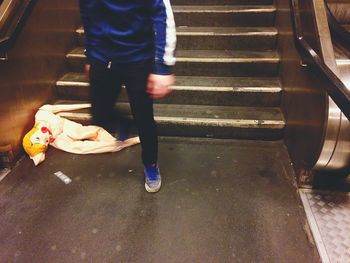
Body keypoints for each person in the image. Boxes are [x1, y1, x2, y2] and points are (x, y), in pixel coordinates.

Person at [79, 0, 176, 193]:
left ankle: (151, 164)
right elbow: (89, 16)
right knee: (99, 112)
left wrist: (162, 68)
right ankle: (124, 124)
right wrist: (91, 56)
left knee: (143, 116)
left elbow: (162, 17)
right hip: (103, 57)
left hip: (138, 58)